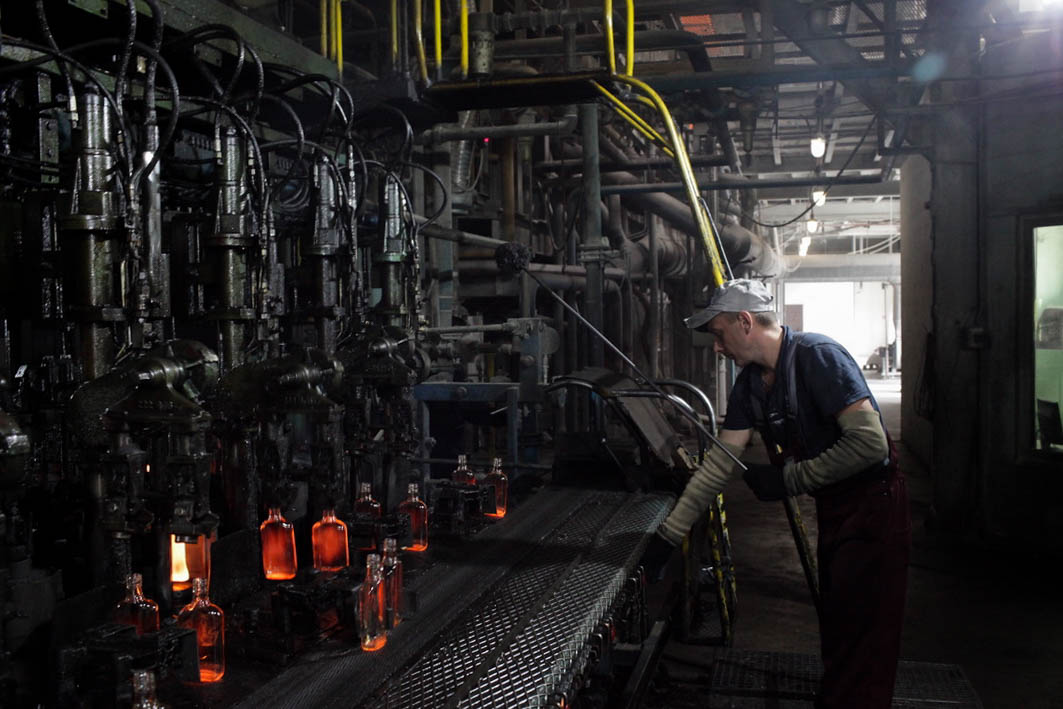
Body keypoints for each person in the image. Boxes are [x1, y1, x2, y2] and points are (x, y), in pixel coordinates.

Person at [642, 278, 910, 709]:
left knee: (865, 630)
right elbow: (717, 467)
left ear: (744, 321)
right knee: (841, 622)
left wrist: (789, 479)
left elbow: (870, 446)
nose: (717, 348)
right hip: (836, 505)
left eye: (718, 334)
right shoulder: (751, 384)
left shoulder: (819, 358)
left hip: (873, 505)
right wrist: (668, 536)